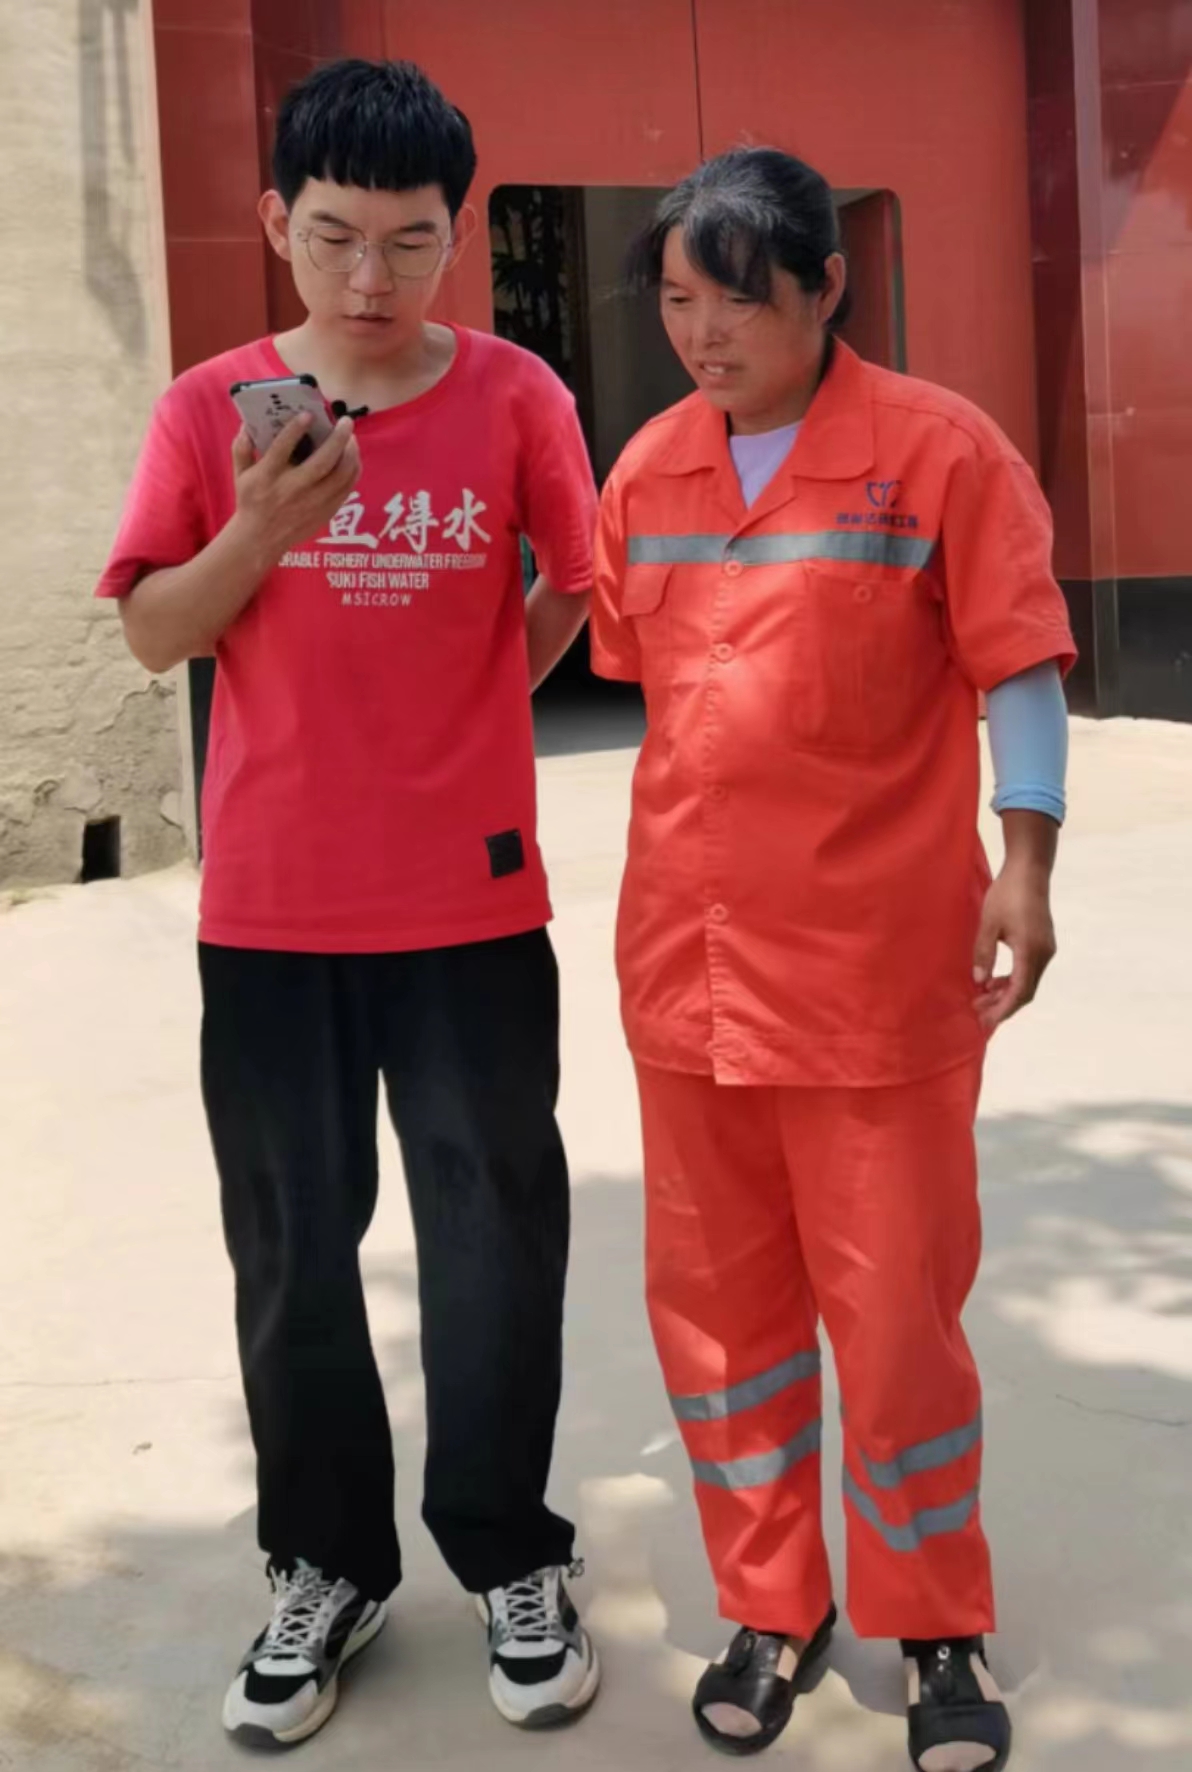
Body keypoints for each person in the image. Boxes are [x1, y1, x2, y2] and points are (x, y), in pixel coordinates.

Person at [96, 58, 601, 1750]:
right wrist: (259, 530)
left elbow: (572, 586)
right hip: (273, 913)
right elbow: (155, 632)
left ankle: (511, 1552)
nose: (370, 279)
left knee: (494, 1240)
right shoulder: (209, 410)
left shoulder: (519, 396)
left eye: (408, 241)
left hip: (470, 909)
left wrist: (470, 717)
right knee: (295, 1250)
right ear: (274, 223)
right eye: (333, 238)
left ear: (460, 231)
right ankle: (326, 1564)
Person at [590, 148, 1075, 1771]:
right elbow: (637, 678)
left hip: (876, 977)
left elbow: (1018, 668)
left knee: (894, 1325)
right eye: (678, 300)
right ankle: (772, 1603)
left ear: (827, 287)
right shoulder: (649, 468)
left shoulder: (939, 454)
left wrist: (1026, 863)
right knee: (720, 1322)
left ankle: (936, 1620)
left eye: (738, 298)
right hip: (690, 972)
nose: (703, 334)